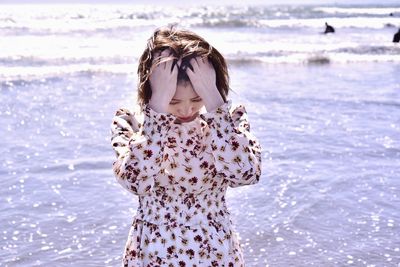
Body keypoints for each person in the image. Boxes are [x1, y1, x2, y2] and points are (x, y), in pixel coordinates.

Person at [110, 26, 262, 267]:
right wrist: (157, 109)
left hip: (214, 252)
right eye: (174, 100)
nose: (186, 110)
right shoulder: (133, 125)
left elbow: (246, 174)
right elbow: (134, 181)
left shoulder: (226, 122)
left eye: (196, 98)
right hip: (153, 253)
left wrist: (213, 98)